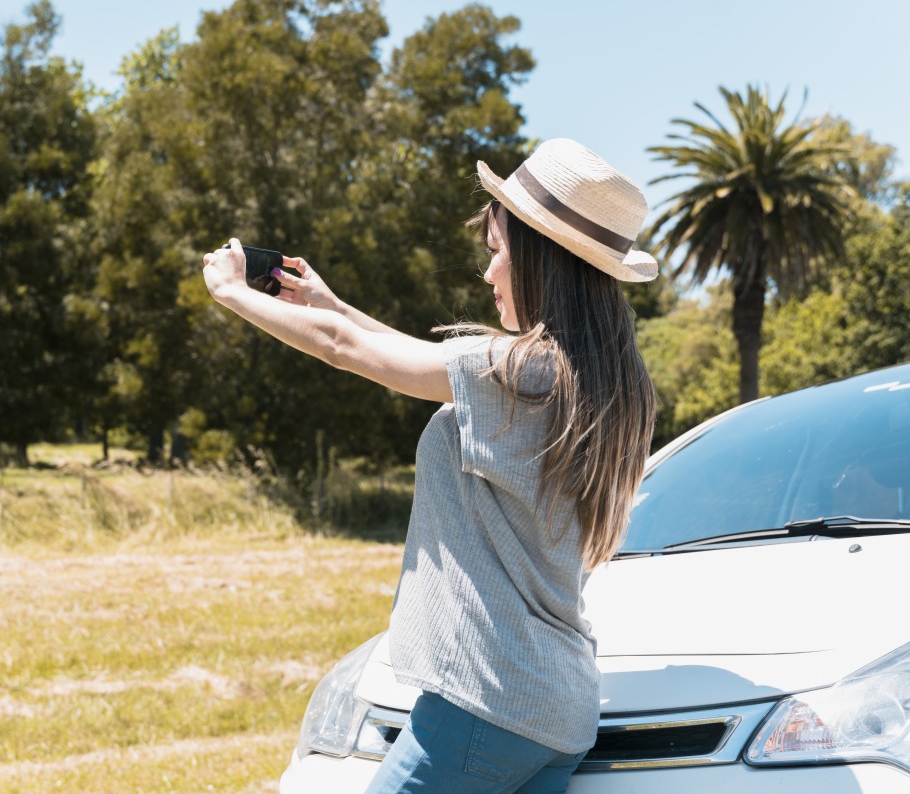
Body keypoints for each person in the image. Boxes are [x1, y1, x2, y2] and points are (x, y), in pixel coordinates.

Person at [202, 138, 657, 794]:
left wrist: (233, 293)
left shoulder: (524, 368)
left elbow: (343, 351)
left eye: (498, 252)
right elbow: (397, 352)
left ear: (541, 261)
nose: (489, 273)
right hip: (557, 708)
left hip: (488, 701)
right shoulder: (590, 381)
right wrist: (335, 307)